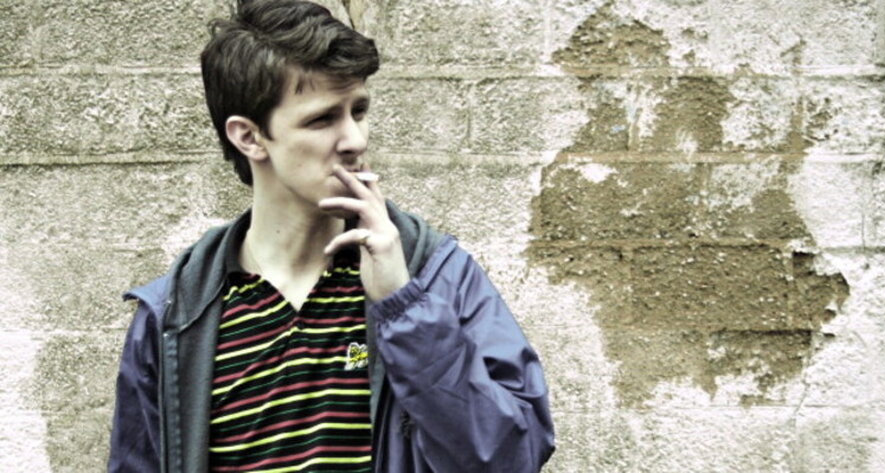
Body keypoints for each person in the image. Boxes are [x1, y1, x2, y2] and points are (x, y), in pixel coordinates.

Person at [107, 0, 555, 472]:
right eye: (322, 119)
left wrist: (404, 307)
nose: (355, 140)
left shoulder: (432, 274)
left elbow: (513, 458)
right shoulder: (178, 313)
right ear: (249, 137)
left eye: (358, 110)